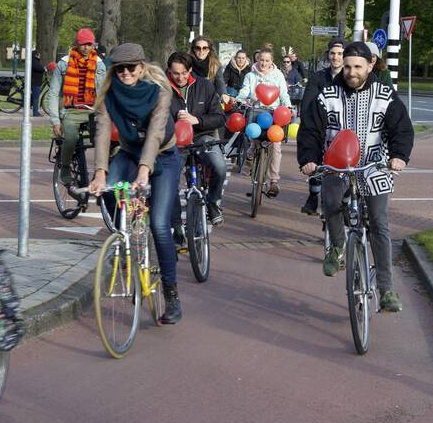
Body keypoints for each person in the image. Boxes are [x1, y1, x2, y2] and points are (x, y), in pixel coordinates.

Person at [297, 41, 414, 313]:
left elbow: (401, 128)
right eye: (348, 67)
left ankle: (386, 289)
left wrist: (399, 156)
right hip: (336, 166)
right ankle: (337, 246)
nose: (351, 72)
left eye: (358, 67)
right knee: (330, 201)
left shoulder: (385, 94)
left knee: (380, 223)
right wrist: (309, 159)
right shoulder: (327, 95)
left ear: (370, 66)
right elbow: (311, 129)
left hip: (374, 167)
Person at [88, 43, 182, 323]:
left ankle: (171, 294)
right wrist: (100, 172)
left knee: (160, 225)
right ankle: (126, 237)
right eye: (120, 69)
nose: (125, 73)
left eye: (131, 68)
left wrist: (144, 171)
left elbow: (155, 133)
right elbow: (103, 132)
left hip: (163, 156)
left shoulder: (160, 90)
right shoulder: (109, 93)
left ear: (141, 68)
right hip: (129, 153)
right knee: (107, 189)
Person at [167, 51, 226, 228]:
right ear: (169, 71)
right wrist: (174, 123)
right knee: (169, 179)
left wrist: (197, 120)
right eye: (176, 73)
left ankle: (213, 203)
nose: (180, 77)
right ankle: (176, 225)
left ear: (190, 70)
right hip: (174, 141)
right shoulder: (162, 88)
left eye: (184, 73)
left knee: (220, 167)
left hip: (202, 137)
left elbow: (219, 117)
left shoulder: (205, 86)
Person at [47, 28, 106, 184]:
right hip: (70, 111)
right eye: (83, 44)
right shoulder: (64, 64)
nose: (86, 48)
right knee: (71, 138)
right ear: (77, 44)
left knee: (103, 138)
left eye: (89, 44)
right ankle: (65, 166)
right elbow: (53, 93)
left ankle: (101, 172)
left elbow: (103, 93)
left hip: (92, 111)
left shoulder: (99, 64)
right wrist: (55, 121)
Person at [236, 47, 291, 197]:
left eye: (267, 60)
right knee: (254, 138)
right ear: (257, 59)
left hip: (274, 113)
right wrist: (240, 99)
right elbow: (245, 90)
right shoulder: (250, 75)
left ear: (272, 61)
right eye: (261, 60)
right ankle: (250, 157)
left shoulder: (278, 75)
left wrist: (288, 106)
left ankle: (273, 181)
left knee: (276, 145)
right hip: (256, 111)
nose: (264, 63)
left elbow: (283, 94)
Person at [299, 38, 345, 215]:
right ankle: (313, 196)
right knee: (315, 157)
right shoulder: (318, 77)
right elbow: (308, 103)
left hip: (342, 127)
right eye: (333, 53)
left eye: (340, 54)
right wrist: (310, 122)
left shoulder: (349, 77)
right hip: (321, 125)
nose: (336, 57)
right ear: (328, 55)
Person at [29, 49, 46, 117]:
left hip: (35, 81)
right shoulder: (34, 61)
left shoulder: (34, 61)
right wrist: (44, 69)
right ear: (36, 55)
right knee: (36, 97)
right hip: (35, 82)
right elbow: (40, 68)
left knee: (34, 96)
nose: (40, 55)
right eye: (39, 54)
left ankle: (27, 104)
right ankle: (35, 113)